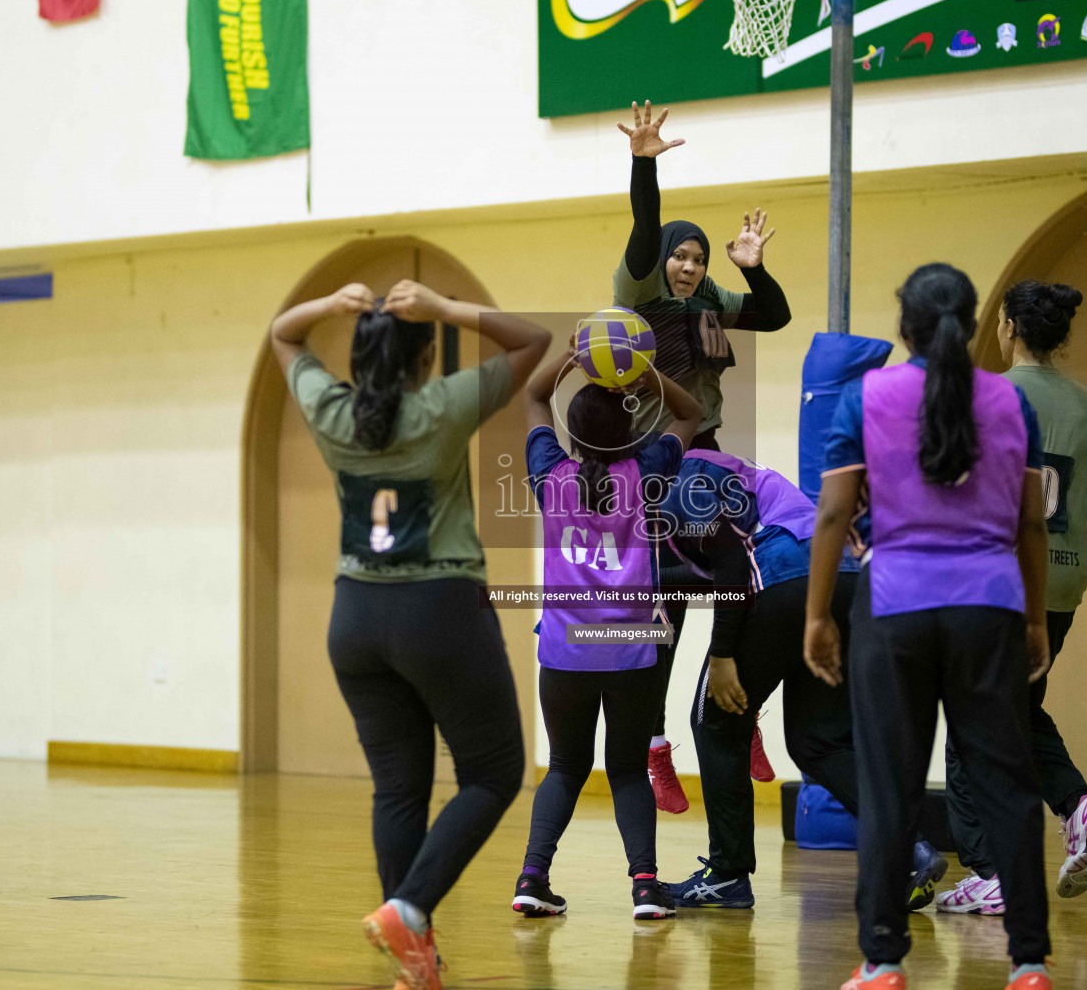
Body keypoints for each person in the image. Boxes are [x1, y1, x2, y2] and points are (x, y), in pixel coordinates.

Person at [270, 280, 550, 990]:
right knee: (491, 774)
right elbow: (534, 342)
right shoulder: (441, 406)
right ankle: (410, 907)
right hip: (439, 609)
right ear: (425, 358)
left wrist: (331, 306)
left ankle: (414, 953)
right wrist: (448, 309)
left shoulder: (332, 411)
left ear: (359, 361)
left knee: (398, 790)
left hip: (355, 616)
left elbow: (282, 335)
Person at [804, 264, 1056, 990]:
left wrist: (819, 616)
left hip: (894, 608)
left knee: (890, 788)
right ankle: (1030, 962)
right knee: (1009, 785)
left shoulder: (864, 398)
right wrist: (1035, 618)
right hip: (990, 608)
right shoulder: (1012, 403)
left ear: (903, 326)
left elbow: (830, 516)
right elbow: (1031, 522)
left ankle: (883, 961)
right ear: (976, 323)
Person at [655, 450, 948, 911]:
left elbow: (732, 567)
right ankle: (913, 850)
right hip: (844, 579)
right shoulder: (720, 470)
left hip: (787, 577)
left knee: (713, 720)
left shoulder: (681, 482)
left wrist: (723, 655)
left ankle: (728, 874)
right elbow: (700, 575)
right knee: (819, 742)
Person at [936, 280, 1087, 914]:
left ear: (1009, 328)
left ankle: (989, 871)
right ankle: (1078, 807)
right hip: (1064, 576)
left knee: (973, 718)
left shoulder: (983, 394)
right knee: (1016, 707)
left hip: (994, 574)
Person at [614, 100, 793, 810]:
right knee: (666, 608)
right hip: (653, 459)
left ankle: (735, 711)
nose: (687, 266)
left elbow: (773, 315)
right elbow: (643, 229)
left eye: (697, 257)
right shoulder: (639, 286)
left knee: (735, 583)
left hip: (708, 456)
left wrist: (754, 268)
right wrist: (643, 165)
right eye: (680, 256)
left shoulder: (712, 296)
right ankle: (657, 747)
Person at [513, 340, 703, 921]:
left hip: (565, 649)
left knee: (566, 766)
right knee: (625, 768)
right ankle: (645, 888)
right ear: (630, 434)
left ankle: (531, 878)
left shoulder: (550, 474)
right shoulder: (646, 475)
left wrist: (575, 357)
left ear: (571, 435)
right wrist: (647, 375)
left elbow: (534, 394)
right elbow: (692, 413)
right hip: (628, 650)